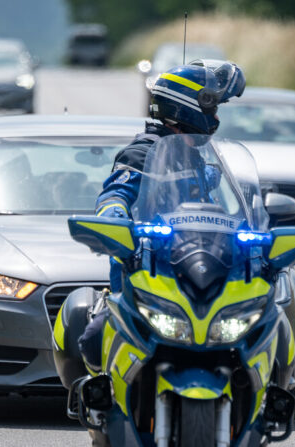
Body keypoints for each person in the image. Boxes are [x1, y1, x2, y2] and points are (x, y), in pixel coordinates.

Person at [78, 60, 246, 372]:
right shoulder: (143, 153)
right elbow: (116, 193)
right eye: (211, 109)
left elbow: (218, 213)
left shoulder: (197, 157)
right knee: (94, 338)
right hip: (151, 273)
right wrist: (114, 216)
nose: (217, 118)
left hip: (198, 270)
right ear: (188, 109)